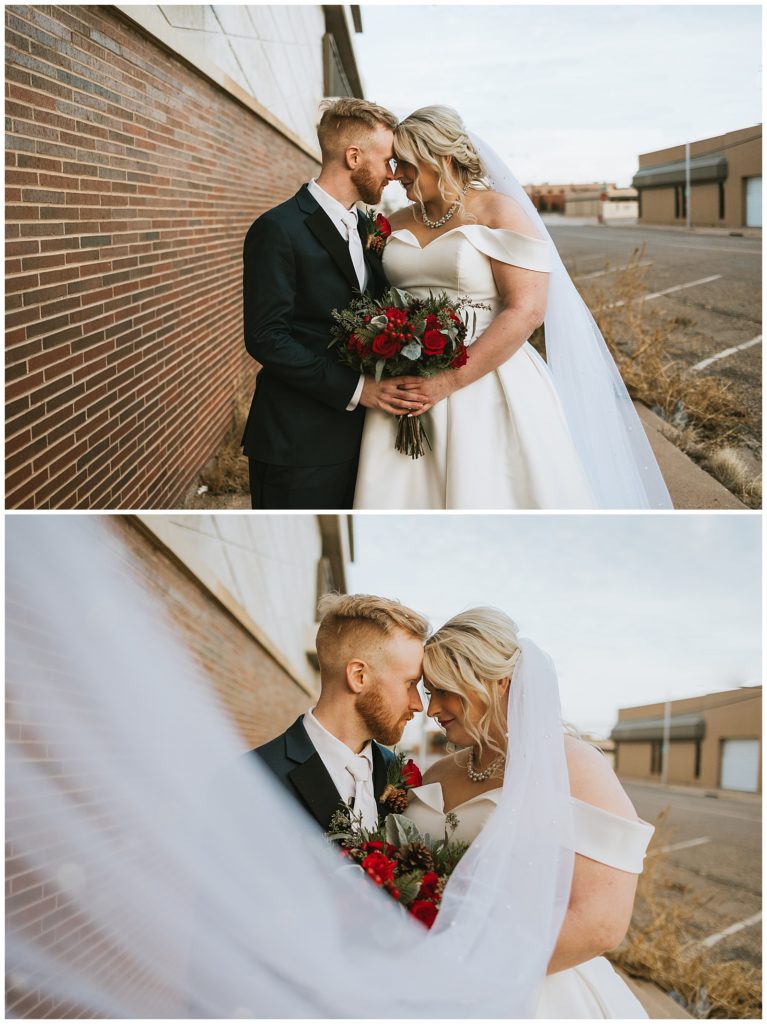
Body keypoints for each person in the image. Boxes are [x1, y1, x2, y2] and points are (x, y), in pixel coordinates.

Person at [353, 106, 672, 510]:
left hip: (487, 378)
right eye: (395, 164)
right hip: (405, 382)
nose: (397, 175)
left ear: (442, 158)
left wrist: (447, 382)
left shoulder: (497, 212)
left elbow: (526, 310)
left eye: (407, 164)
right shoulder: (394, 222)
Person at [407, 606, 655, 1018]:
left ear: (498, 683)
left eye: (445, 690)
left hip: (525, 989)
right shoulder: (438, 771)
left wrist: (466, 981)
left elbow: (600, 923)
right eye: (430, 692)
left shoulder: (575, 767)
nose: (432, 710)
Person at [241, 98, 428, 510]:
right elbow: (266, 337)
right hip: (297, 445)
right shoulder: (278, 229)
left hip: (364, 444)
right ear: (354, 156)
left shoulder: (369, 228)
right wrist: (360, 389)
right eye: (388, 161)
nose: (394, 175)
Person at [253, 593, 428, 831]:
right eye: (410, 684)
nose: (418, 704)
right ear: (359, 677)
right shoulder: (253, 778)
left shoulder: (397, 776)